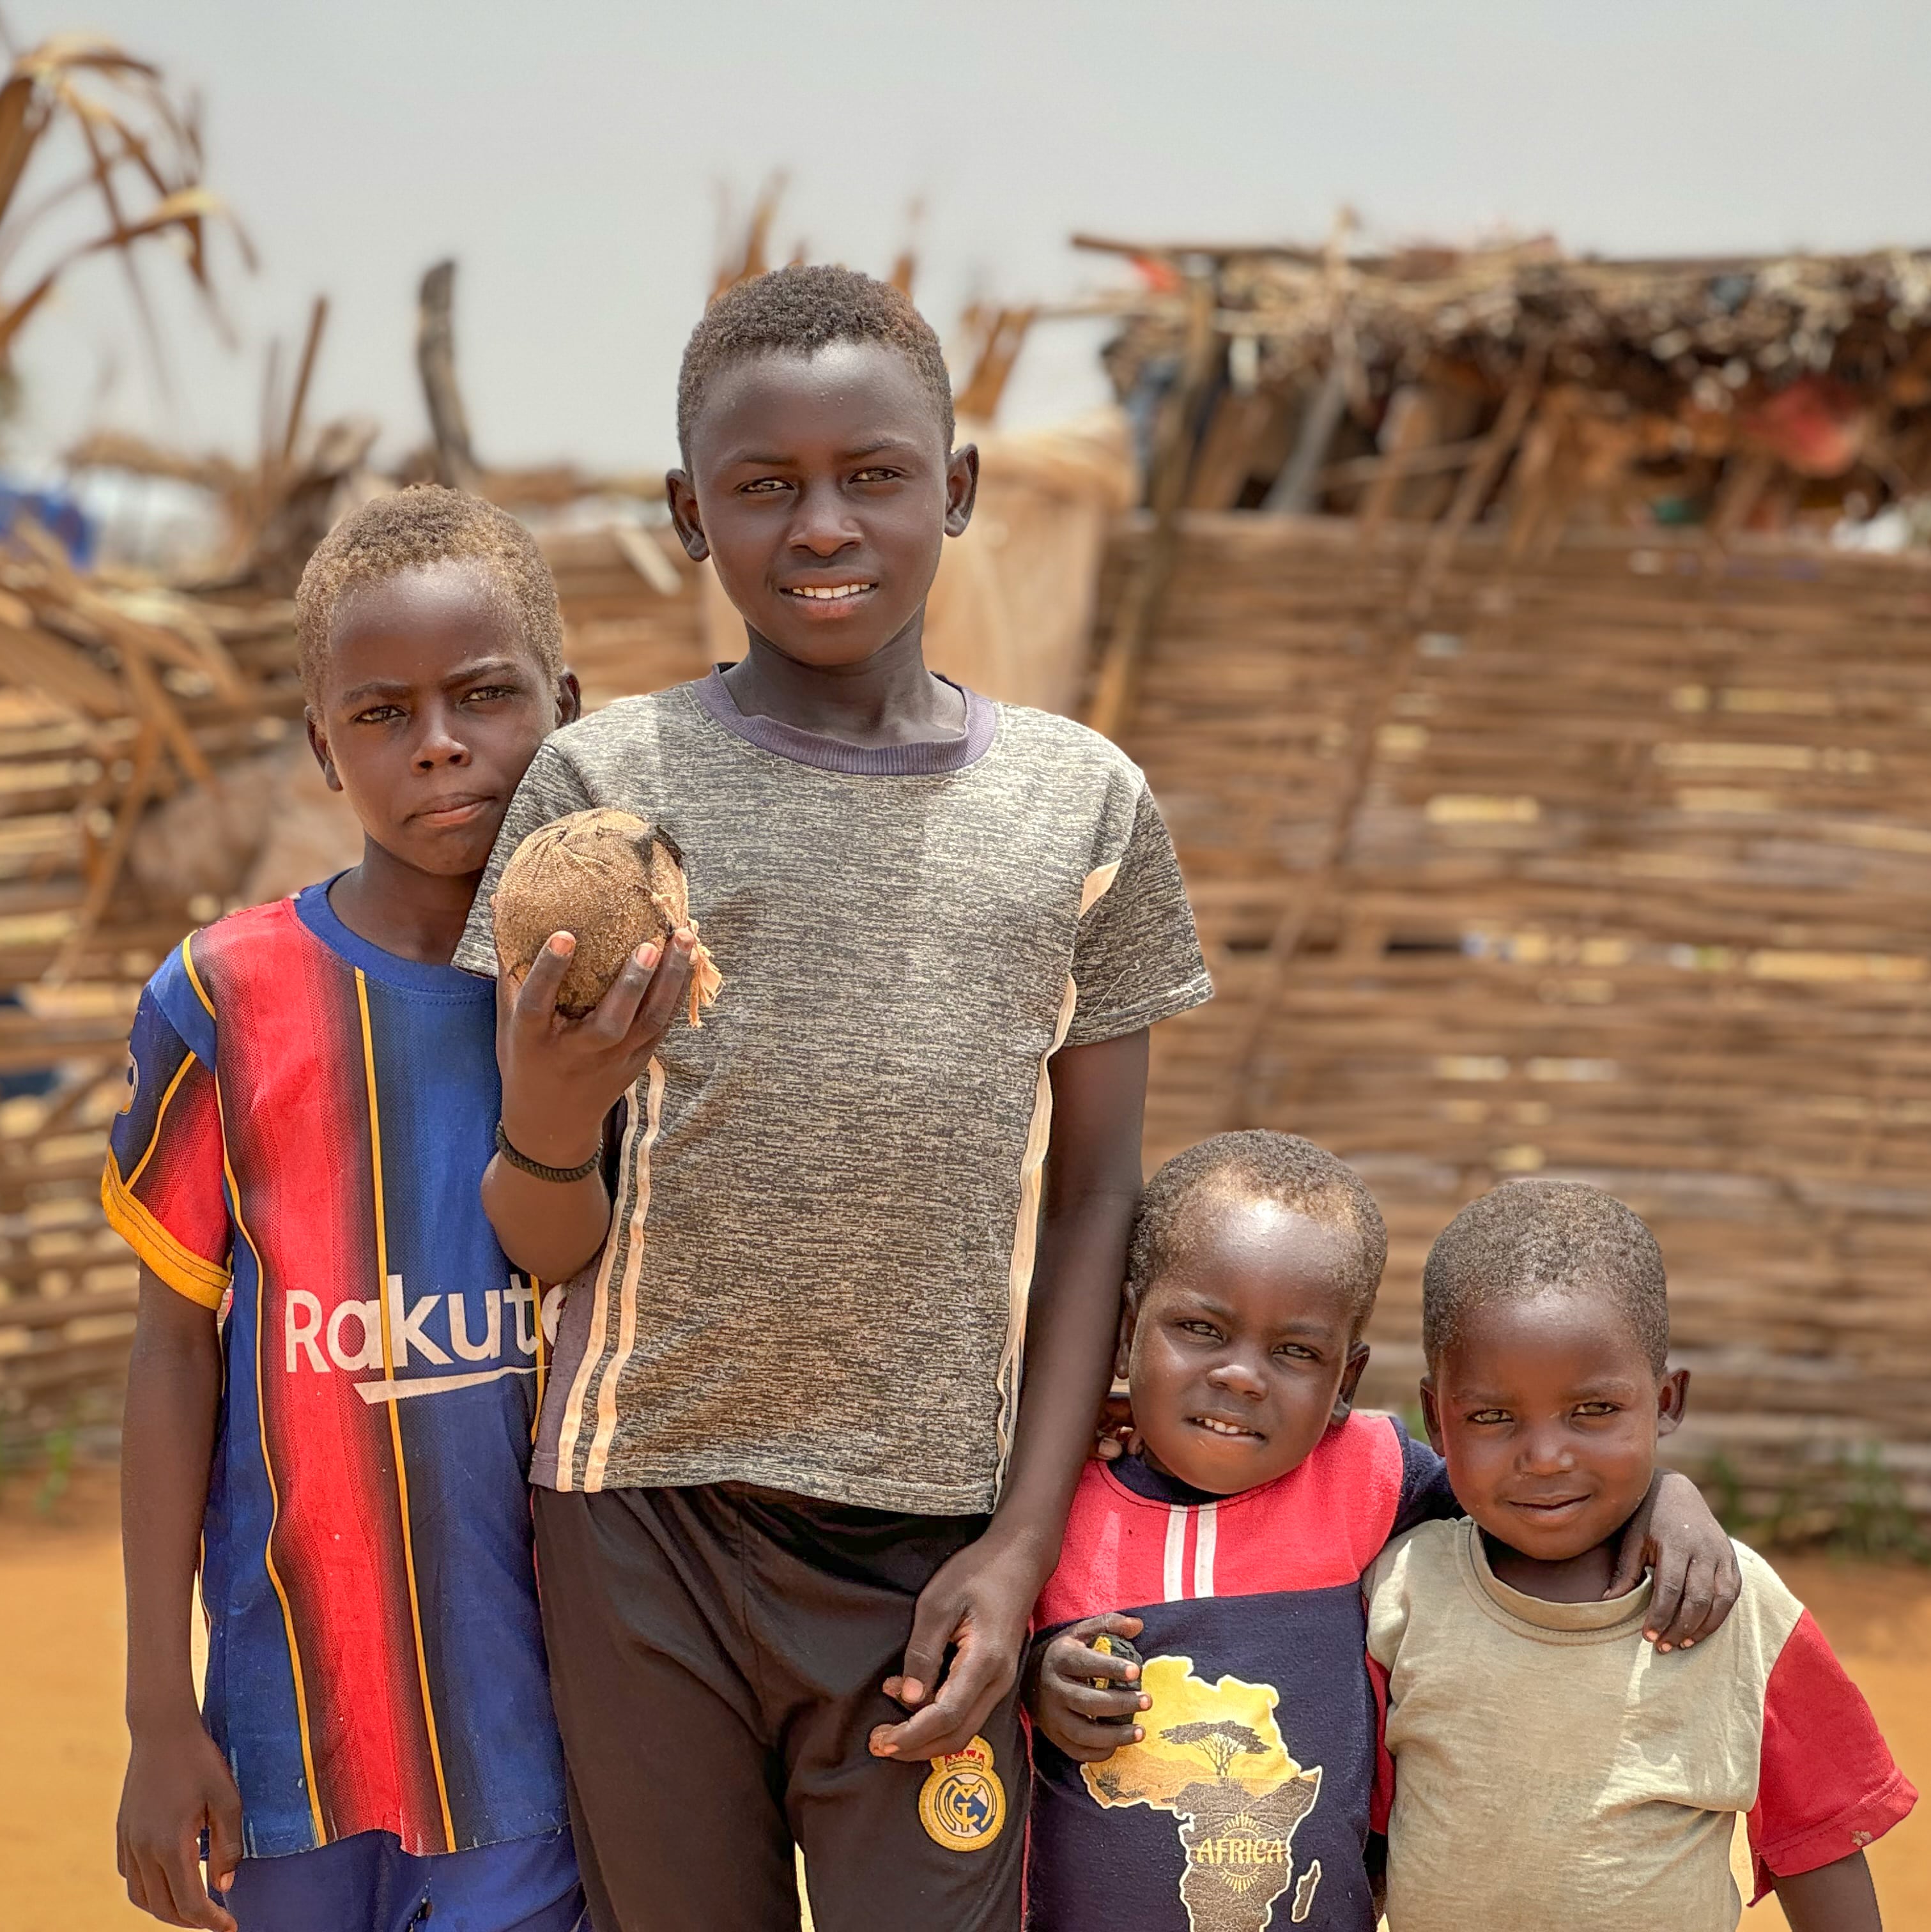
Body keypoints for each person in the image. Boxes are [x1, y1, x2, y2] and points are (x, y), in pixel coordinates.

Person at [453, 263, 1212, 1932]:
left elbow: (1096, 1199)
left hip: (938, 1545)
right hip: (644, 1524)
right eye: (764, 487)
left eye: (872, 475)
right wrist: (555, 1116)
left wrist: (1023, 1545)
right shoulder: (602, 799)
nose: (822, 527)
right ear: (684, 515)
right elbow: (524, 1235)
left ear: (957, 490)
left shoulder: (1079, 809)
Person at [107, 487, 591, 1932]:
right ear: (322, 744)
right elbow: (172, 1352)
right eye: (380, 714)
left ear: (562, 705)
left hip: (545, 1746)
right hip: (284, 1735)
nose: (439, 743)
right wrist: (152, 1713)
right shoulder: (222, 1001)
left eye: (484, 697)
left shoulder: (616, 1005)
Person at [1024, 1133, 1743, 1932]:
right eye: (1200, 1329)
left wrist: (1668, 1497)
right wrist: (1035, 1680)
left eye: (1296, 1350)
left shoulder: (1365, 1475)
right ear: (1126, 1333)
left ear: (1346, 1381)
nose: (1240, 1373)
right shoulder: (1046, 1500)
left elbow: (1537, 1502)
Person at [1367, 1181, 1916, 1931]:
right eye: (1492, 1416)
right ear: (1436, 1417)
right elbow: (1356, 1834)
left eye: (1594, 1411)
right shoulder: (1401, 1594)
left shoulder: (1740, 1607)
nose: (1547, 1456)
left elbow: (1816, 1838)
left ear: (1666, 1403)